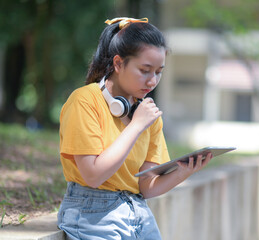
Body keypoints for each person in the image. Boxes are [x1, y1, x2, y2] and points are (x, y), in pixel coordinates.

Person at [57, 17, 213, 240]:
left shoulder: (147, 114)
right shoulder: (84, 101)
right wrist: (137, 126)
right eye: (145, 70)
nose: (152, 81)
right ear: (119, 64)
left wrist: (184, 171)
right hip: (92, 212)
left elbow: (147, 186)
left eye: (159, 72)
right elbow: (93, 176)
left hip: (137, 212)